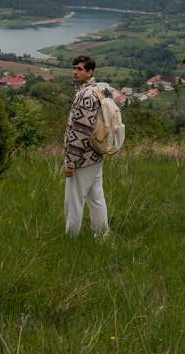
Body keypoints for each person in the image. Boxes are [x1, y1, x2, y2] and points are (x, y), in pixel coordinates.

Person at [64, 55, 109, 236]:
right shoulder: (96, 90)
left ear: (90, 72)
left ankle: (71, 237)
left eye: (80, 69)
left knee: (74, 199)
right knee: (96, 197)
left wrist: (71, 161)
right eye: (74, 68)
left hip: (82, 157)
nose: (75, 72)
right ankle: (102, 234)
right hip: (95, 155)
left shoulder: (86, 95)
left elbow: (81, 130)